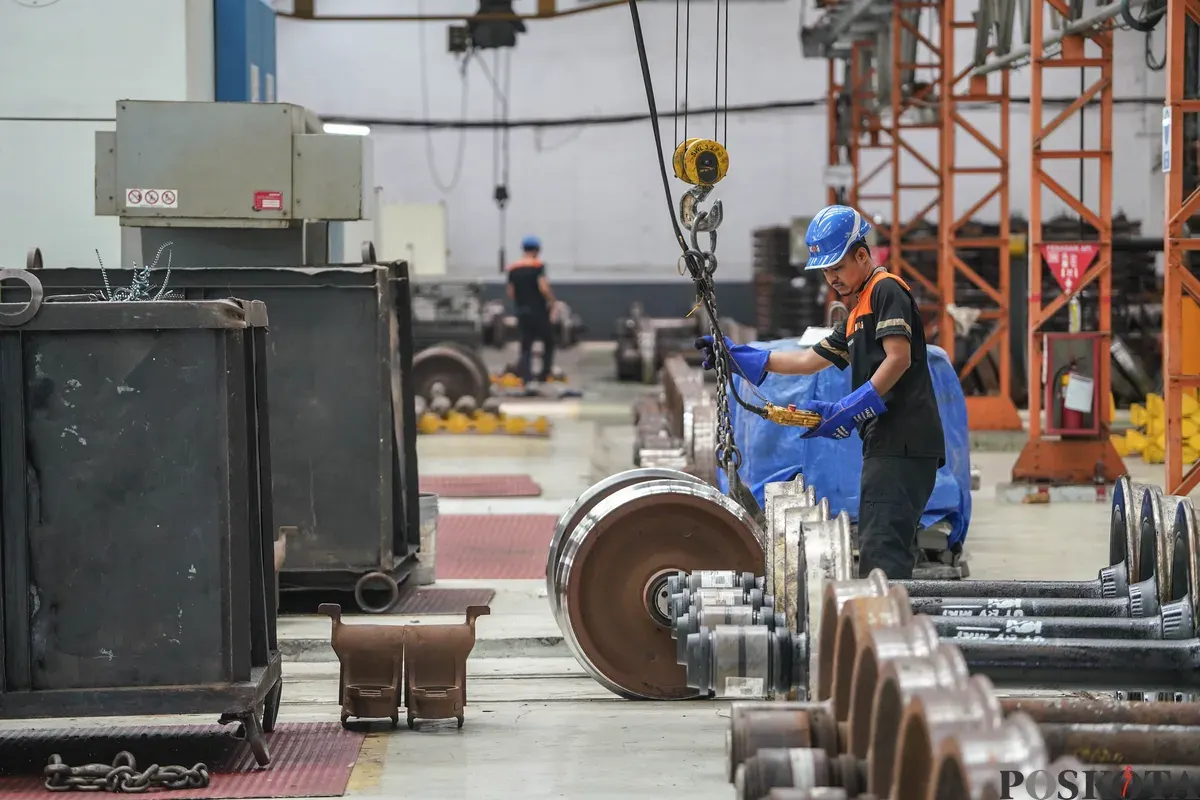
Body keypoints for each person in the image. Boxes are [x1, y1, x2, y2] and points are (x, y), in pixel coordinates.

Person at [695, 205, 945, 580]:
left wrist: (850, 407)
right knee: (883, 542)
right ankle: (889, 624)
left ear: (862, 255)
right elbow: (811, 360)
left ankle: (888, 630)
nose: (832, 279)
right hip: (886, 441)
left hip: (905, 440)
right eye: (826, 272)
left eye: (838, 268)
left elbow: (899, 358)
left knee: (882, 550)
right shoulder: (858, 307)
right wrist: (743, 358)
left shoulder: (886, 290)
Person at [506, 235, 558, 384]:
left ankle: (526, 378)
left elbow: (511, 292)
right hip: (538, 311)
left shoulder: (513, 268)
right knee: (549, 341)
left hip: (522, 311)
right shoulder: (538, 266)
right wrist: (553, 302)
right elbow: (543, 287)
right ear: (537, 250)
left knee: (526, 345)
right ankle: (543, 375)